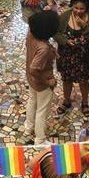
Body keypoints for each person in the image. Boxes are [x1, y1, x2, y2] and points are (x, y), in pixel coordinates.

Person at [54, 0, 89, 117]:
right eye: (76, 8)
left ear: (86, 8)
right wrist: (65, 41)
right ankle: (66, 101)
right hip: (67, 56)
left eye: (81, 9)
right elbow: (56, 33)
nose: (78, 11)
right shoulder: (65, 16)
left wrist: (84, 26)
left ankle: (85, 103)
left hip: (84, 57)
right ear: (72, 6)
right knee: (66, 80)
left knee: (84, 81)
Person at [24, 9, 60, 146]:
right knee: (42, 110)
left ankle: (28, 128)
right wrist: (48, 81)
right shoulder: (43, 48)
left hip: (32, 81)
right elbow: (34, 69)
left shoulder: (31, 34)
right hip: (42, 84)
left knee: (32, 101)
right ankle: (40, 139)